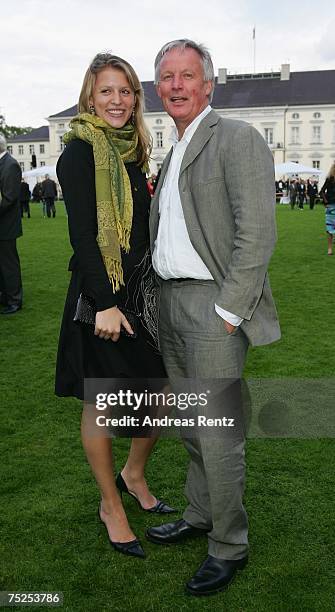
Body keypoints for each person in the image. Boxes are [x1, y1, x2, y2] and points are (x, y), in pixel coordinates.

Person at [146, 39, 281, 596]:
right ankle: (200, 514)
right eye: (168, 77)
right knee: (192, 430)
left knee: (219, 435)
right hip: (171, 305)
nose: (177, 85)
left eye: (187, 75)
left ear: (208, 84)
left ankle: (229, 544)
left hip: (213, 308)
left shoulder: (237, 138)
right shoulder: (173, 147)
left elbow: (258, 235)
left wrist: (229, 311)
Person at [55, 52, 174, 560]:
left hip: (141, 294)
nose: (117, 100)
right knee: (101, 403)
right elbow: (83, 234)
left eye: (125, 91)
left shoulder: (133, 152)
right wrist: (104, 302)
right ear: (90, 95)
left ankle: (134, 473)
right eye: (107, 90)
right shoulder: (80, 152)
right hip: (100, 297)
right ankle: (112, 504)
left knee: (162, 393)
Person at [0, 133, 23, 315]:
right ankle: (6, 296)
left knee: (8, 265)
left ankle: (14, 300)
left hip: (6, 226)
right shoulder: (5, 163)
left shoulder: (10, 165)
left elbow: (9, 198)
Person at [320, 163, 335, 255]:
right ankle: (329, 249)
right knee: (330, 228)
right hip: (331, 207)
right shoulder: (329, 179)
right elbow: (321, 191)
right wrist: (325, 202)